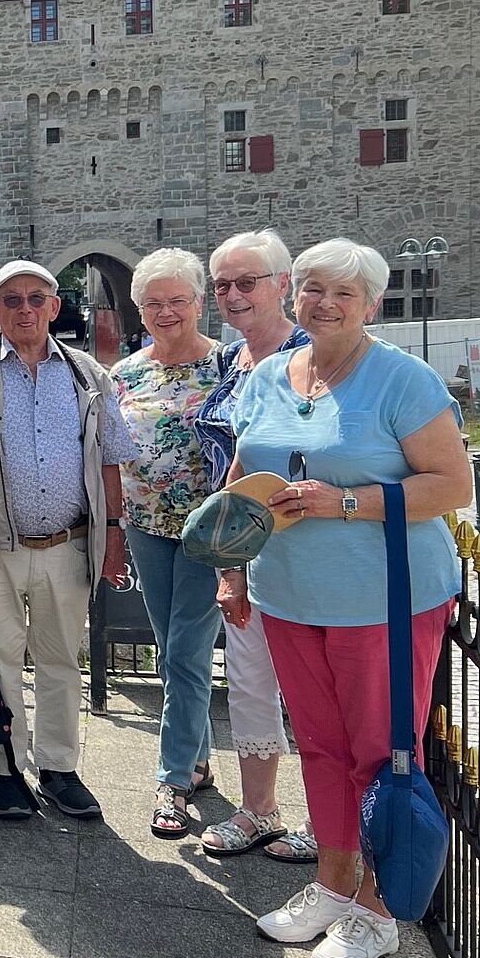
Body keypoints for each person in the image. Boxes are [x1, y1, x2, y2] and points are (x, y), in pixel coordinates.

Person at [223, 238, 471, 958]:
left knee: (382, 753)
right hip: (292, 595)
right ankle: (331, 884)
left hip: (385, 603)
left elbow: (450, 486)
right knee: (323, 749)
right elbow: (247, 466)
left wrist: (349, 502)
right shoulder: (271, 374)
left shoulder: (402, 378)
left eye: (343, 292)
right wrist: (233, 562)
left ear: (371, 303)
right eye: (311, 289)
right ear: (292, 296)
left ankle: (378, 909)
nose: (325, 303)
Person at [0, 259, 134, 820]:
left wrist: (113, 536)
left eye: (36, 298)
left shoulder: (87, 374)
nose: (25, 309)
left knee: (59, 659)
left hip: (67, 543)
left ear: (53, 306)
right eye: (12, 300)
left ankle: (59, 767)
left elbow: (111, 458)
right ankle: (4, 769)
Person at [194, 230, 315, 863]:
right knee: (248, 679)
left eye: (248, 282)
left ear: (282, 286)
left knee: (311, 690)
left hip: (308, 552)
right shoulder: (234, 359)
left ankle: (330, 824)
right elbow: (233, 471)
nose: (234, 295)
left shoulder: (314, 357)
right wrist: (230, 568)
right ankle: (259, 809)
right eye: (223, 285)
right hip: (245, 550)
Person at [109, 249, 225, 840]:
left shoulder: (227, 367)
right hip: (146, 524)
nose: (166, 311)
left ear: (199, 304)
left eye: (178, 300)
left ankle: (172, 779)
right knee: (171, 643)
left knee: (184, 648)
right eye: (154, 302)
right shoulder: (125, 374)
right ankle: (199, 755)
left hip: (210, 530)